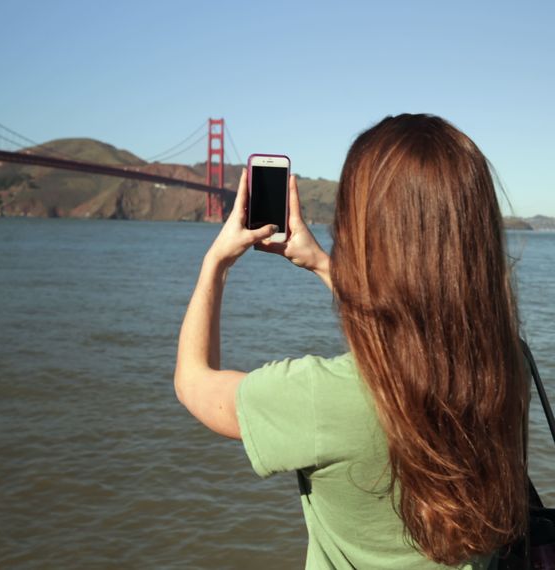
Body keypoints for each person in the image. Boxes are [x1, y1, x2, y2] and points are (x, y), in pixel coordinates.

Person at [175, 114, 528, 569]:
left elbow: (192, 381)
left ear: (362, 235)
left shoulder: (321, 397)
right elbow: (415, 331)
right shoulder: (506, 364)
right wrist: (322, 265)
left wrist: (216, 262)